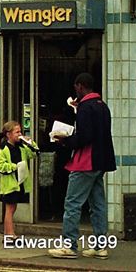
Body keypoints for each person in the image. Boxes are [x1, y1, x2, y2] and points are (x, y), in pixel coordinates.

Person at [49, 73, 116, 260]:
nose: (75, 90)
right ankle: (100, 246)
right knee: (98, 205)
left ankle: (69, 245)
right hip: (100, 162)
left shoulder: (86, 108)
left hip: (85, 162)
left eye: (76, 87)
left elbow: (85, 136)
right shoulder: (102, 106)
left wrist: (65, 140)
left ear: (80, 86)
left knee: (72, 203)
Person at [0, 121, 39, 237]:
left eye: (20, 131)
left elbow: (34, 154)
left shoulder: (22, 147)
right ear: (8, 134)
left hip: (20, 182)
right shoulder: (4, 148)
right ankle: (10, 234)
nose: (20, 134)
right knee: (10, 208)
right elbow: (0, 166)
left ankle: (7, 233)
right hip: (10, 184)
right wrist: (14, 167)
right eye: (17, 132)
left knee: (13, 208)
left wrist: (30, 143)